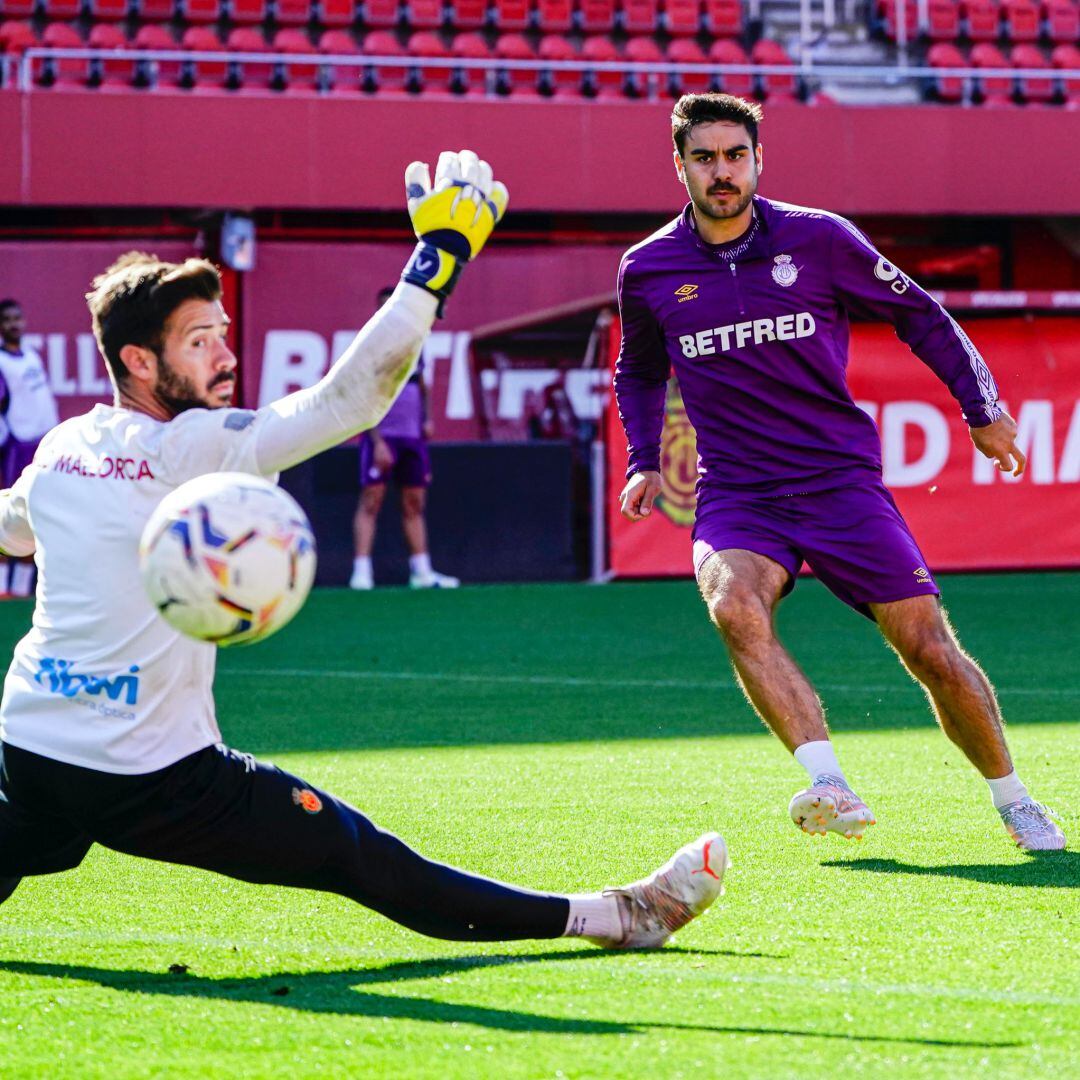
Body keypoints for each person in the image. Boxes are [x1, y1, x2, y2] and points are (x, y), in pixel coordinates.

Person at [0, 151, 728, 948]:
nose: (226, 357)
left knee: (37, 836)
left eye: (223, 336)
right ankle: (620, 916)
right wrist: (435, 262)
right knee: (360, 855)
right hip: (148, 775)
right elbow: (351, 398)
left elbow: (12, 530)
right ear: (138, 362)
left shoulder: (64, 447)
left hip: (30, 745)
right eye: (200, 341)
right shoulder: (198, 446)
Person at [614, 94, 1065, 852]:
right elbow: (638, 369)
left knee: (928, 647)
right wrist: (642, 460)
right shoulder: (648, 266)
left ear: (758, 159)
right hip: (738, 493)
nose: (722, 172)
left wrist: (982, 409)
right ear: (680, 165)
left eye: (735, 155)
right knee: (733, 606)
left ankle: (1015, 800)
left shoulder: (819, 238)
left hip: (838, 482)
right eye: (705, 157)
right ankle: (828, 782)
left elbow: (921, 314)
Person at [350, 286, 458, 591]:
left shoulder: (415, 342)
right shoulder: (370, 347)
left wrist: (427, 419)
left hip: (412, 438)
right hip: (382, 438)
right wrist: (377, 440)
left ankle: (422, 572)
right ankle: (361, 573)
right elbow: (363, 397)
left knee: (414, 502)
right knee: (371, 500)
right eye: (383, 307)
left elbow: (423, 386)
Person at [0, 299, 59, 598]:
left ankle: (22, 588)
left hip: (42, 442)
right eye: (7, 319)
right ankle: (2, 587)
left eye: (17, 318)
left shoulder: (31, 356)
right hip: (17, 445)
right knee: (12, 511)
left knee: (38, 511)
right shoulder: (1, 362)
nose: (14, 324)